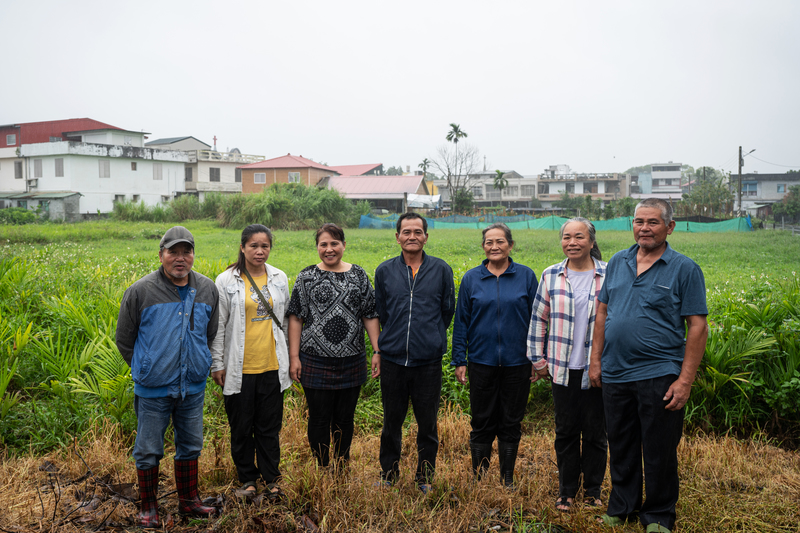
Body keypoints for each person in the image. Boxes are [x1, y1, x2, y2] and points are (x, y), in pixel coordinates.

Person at [589, 199, 709, 533]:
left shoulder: (684, 268)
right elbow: (602, 312)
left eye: (653, 222)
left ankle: (658, 515)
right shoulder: (617, 261)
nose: (644, 228)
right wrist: (595, 361)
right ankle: (623, 506)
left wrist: (685, 380)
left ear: (669, 227)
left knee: (659, 448)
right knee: (621, 442)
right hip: (615, 372)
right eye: (639, 221)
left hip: (659, 373)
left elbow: (697, 326)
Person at [116, 226, 219, 528]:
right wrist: (146, 367)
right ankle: (148, 507)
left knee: (191, 445)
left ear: (192, 255)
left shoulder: (207, 289)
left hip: (193, 387)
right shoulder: (141, 291)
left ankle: (189, 502)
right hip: (153, 389)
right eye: (173, 251)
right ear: (161, 254)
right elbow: (125, 339)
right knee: (148, 449)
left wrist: (198, 363)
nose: (180, 258)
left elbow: (209, 333)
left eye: (186, 251)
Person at [528, 217, 607, 511]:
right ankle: (567, 490)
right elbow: (538, 319)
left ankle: (593, 490)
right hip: (562, 369)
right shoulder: (551, 275)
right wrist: (537, 360)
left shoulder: (609, 274)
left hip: (597, 370)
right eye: (567, 237)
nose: (572, 243)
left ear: (591, 241)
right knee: (566, 432)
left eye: (579, 237)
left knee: (597, 433)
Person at [287, 223, 381, 470]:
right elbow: (296, 317)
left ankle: (342, 463)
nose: (329, 249)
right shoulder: (306, 276)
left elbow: (370, 314)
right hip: (314, 359)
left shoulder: (358, 275)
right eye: (323, 244)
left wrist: (377, 350)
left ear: (344, 245)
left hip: (352, 359)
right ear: (317, 247)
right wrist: (294, 357)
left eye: (334, 244)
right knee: (318, 418)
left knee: (345, 418)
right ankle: (323, 465)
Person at [452, 223, 538, 488]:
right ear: (483, 246)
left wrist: (537, 358)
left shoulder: (525, 276)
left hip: (517, 363)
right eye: (489, 242)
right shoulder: (471, 278)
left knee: (511, 421)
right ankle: (479, 477)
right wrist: (460, 359)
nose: (494, 246)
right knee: (482, 419)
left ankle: (507, 477)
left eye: (500, 241)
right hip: (481, 361)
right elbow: (462, 321)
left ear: (510, 245)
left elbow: (538, 320)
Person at [374, 212, 455, 492]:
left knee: (428, 424)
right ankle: (388, 474)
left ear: (425, 237)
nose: (412, 237)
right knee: (391, 422)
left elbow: (447, 310)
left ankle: (425, 478)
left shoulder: (441, 270)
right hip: (394, 359)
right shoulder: (384, 271)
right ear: (397, 237)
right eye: (406, 232)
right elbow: (382, 312)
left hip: (428, 362)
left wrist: (430, 336)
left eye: (417, 232)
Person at [210, 224, 291, 498]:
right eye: (254, 246)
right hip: (238, 367)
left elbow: (287, 322)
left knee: (269, 428)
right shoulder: (225, 281)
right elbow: (219, 325)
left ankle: (271, 479)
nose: (260, 251)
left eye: (265, 246)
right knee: (242, 428)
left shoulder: (280, 277)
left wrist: (292, 359)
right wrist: (217, 363)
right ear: (243, 247)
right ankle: (248, 479)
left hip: (272, 365)